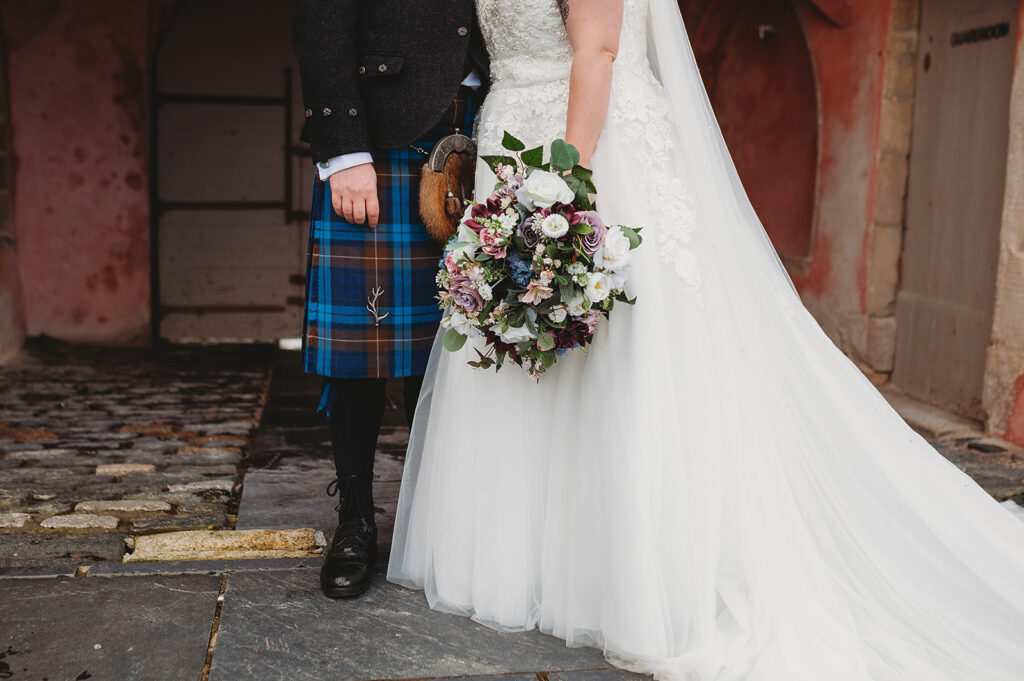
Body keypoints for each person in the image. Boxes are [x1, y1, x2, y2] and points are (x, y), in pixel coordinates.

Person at [387, 0, 1024, 678]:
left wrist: (561, 189)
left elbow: (597, 52)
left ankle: (632, 574)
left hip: (582, 150)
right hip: (512, 143)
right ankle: (531, 559)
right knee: (528, 351)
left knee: (618, 354)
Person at [291, 0, 487, 599]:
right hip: (381, 140)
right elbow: (321, 20)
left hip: (487, 138)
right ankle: (354, 521)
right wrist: (345, 149)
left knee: (459, 346)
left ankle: (435, 524)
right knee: (361, 349)